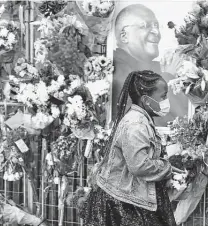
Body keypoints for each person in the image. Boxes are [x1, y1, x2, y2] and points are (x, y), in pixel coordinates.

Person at [81, 70, 181, 226]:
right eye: (163, 96)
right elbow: (140, 166)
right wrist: (165, 167)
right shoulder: (136, 124)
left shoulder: (140, 119)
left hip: (127, 197)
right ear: (146, 100)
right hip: (122, 204)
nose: (166, 101)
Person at [112, 4, 188, 126]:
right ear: (124, 36)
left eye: (156, 26)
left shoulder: (151, 67)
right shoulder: (115, 68)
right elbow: (139, 121)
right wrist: (168, 77)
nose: (156, 32)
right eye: (144, 26)